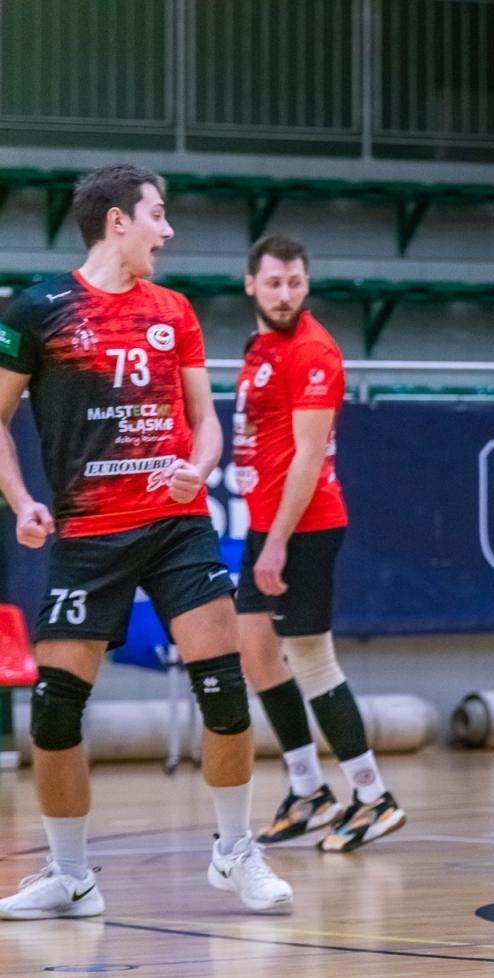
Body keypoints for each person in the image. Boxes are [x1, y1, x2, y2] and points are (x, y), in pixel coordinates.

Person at [0, 165, 293, 917]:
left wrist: (197, 467)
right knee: (55, 712)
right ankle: (70, 876)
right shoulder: (38, 311)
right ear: (116, 221)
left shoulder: (175, 310)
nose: (167, 229)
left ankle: (235, 852)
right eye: (157, 215)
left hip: (175, 529)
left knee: (224, 686)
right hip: (87, 532)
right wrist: (23, 499)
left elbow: (206, 420)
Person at [233, 235, 405, 852]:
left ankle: (372, 794)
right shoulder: (259, 346)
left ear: (306, 284)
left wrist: (277, 541)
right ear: (251, 283)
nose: (285, 294)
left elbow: (309, 457)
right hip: (266, 526)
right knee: (254, 651)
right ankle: (307, 789)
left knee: (310, 657)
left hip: (302, 527)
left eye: (295, 283)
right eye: (274, 283)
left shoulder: (312, 351)